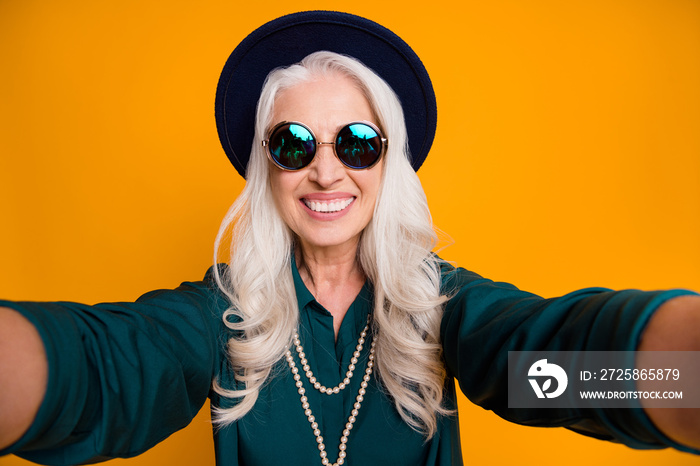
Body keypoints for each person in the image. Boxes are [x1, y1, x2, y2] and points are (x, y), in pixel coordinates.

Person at [1, 10, 699, 466]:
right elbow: (110, 372)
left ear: (388, 163)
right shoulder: (218, 317)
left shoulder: (445, 308)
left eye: (358, 143)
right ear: (265, 168)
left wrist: (684, 375)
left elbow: (543, 362)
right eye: (294, 143)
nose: (326, 169)